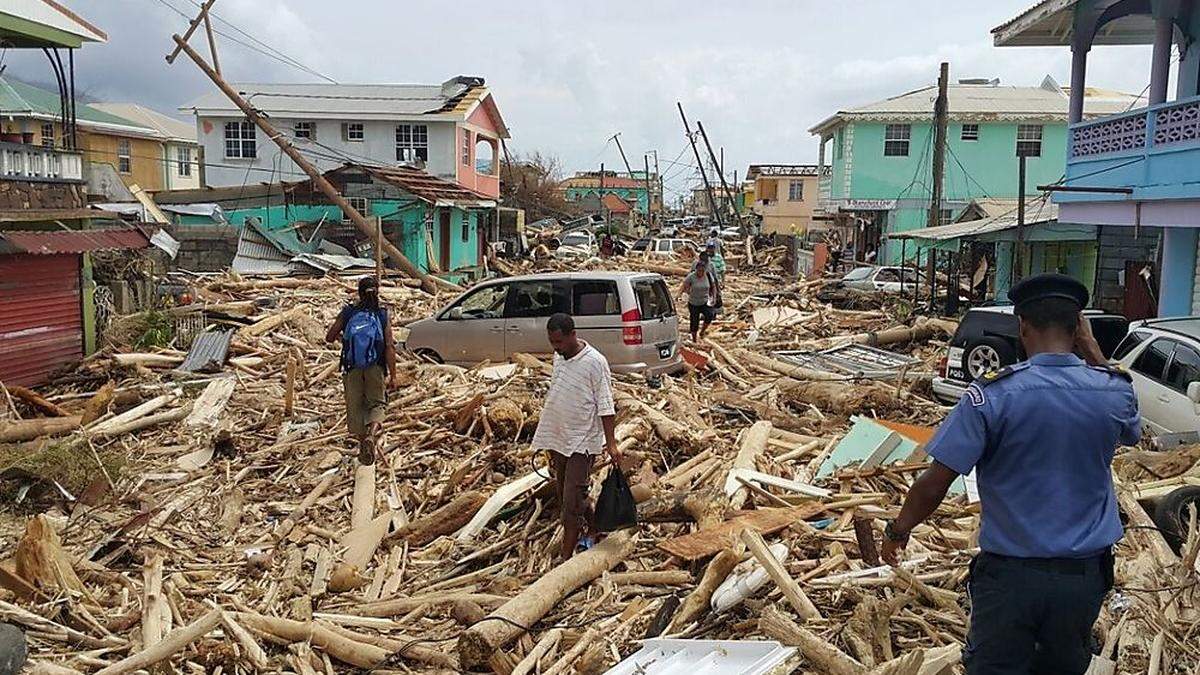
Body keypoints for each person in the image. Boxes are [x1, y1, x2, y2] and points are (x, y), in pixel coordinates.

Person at [881, 273, 1140, 675]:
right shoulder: (1112, 390)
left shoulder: (993, 396)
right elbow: (1131, 430)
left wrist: (899, 531)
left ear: (1022, 326)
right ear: (1078, 328)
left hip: (1010, 580)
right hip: (1082, 580)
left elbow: (935, 482)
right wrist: (1093, 352)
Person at [530, 313, 621, 559]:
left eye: (559, 342)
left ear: (573, 335)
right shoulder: (559, 359)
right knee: (567, 495)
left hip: (583, 441)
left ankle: (565, 558)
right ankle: (595, 526)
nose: (556, 348)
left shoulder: (595, 362)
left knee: (570, 506)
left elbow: (605, 404)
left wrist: (611, 444)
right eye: (552, 342)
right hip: (560, 438)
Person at [325, 276, 398, 464]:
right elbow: (389, 346)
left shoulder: (349, 312)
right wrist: (393, 375)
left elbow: (329, 336)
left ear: (358, 292)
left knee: (355, 407)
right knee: (377, 403)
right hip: (375, 366)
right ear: (378, 291)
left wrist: (347, 340)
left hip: (352, 367)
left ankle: (362, 446)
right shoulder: (382, 314)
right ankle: (372, 436)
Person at [681, 253, 720, 342]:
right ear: (696, 270)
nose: (700, 273)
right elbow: (684, 285)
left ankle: (702, 331)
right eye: (699, 271)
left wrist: (714, 296)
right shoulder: (692, 276)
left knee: (710, 315)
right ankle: (694, 339)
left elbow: (713, 286)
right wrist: (684, 293)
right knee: (694, 322)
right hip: (694, 303)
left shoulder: (708, 275)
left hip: (705, 301)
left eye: (702, 271)